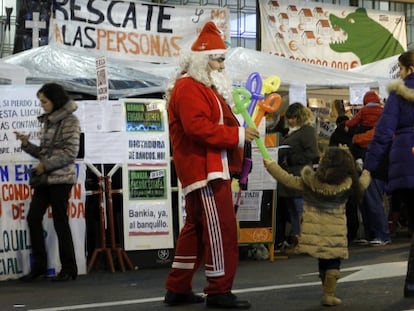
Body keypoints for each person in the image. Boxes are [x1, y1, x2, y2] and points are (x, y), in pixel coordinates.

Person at [163, 21, 257, 309]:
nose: (221, 65)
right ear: (203, 60)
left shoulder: (199, 87)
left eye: (222, 59)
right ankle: (218, 290)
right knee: (221, 229)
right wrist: (238, 135)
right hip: (206, 169)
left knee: (196, 228)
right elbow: (197, 128)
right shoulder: (190, 87)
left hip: (205, 167)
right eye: (217, 58)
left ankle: (178, 287)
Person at [264, 147, 370, 306]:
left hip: (314, 232)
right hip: (336, 233)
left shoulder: (310, 182)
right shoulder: (348, 185)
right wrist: (367, 173)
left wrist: (271, 165)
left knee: (323, 259)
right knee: (334, 262)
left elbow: (287, 179)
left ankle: (325, 291)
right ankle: (329, 294)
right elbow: (363, 184)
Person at [15, 83, 80, 282]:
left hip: (61, 179)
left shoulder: (70, 121)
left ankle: (69, 268)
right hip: (46, 178)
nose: (42, 105)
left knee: (60, 222)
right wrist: (27, 145)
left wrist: (45, 166)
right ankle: (40, 267)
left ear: (55, 100)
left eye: (44, 101)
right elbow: (45, 152)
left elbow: (70, 154)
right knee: (33, 218)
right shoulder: (49, 122)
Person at [363, 49, 414, 298]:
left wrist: (369, 166)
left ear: (409, 70)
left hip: (405, 165)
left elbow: (382, 133)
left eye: (401, 70)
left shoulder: (397, 96)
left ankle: (412, 284)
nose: (400, 74)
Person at [277, 103, 319, 249]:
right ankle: (298, 240)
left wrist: (292, 159)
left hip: (300, 176)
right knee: (294, 211)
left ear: (300, 117)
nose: (290, 120)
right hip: (290, 178)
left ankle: (305, 240)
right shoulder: (293, 132)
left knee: (300, 211)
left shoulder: (307, 131)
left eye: (293, 117)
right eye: (289, 118)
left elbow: (313, 153)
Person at [329, 115, 358, 242]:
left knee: (341, 205)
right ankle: (353, 232)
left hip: (338, 173)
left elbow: (330, 154)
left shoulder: (335, 135)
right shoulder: (355, 133)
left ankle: (344, 233)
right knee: (352, 205)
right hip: (352, 171)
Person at [344, 90, 383, 159]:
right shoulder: (382, 110)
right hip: (377, 131)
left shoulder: (364, 110)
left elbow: (355, 120)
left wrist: (347, 124)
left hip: (364, 129)